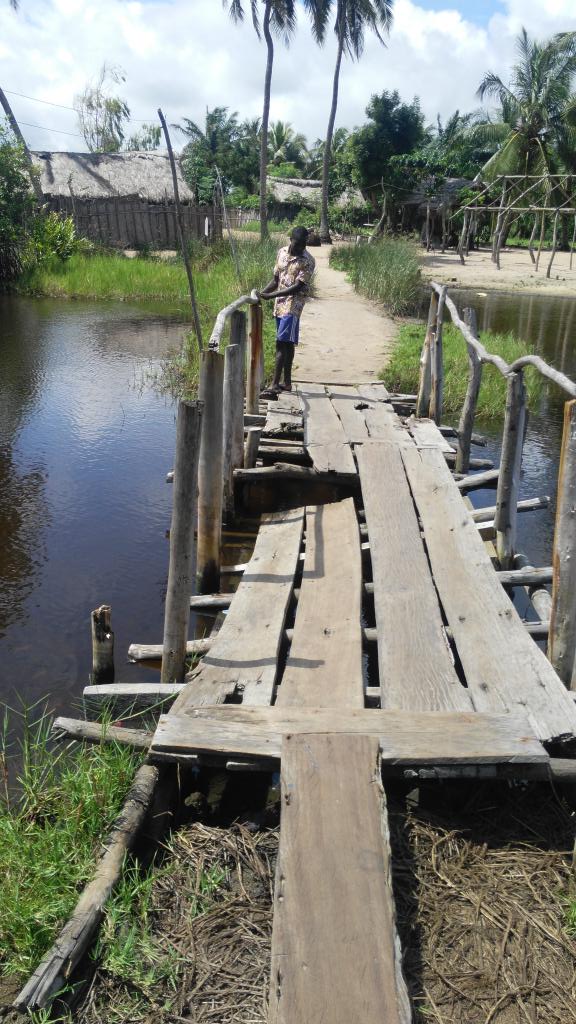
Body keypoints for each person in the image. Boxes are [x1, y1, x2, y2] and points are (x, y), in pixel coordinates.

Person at [257, 226, 315, 395]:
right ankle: (287, 382)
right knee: (287, 343)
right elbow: (276, 279)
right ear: (291, 240)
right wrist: (263, 293)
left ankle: (274, 384)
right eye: (297, 245)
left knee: (281, 343)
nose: (299, 249)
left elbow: (297, 287)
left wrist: (272, 294)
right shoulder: (281, 252)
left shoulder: (308, 261)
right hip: (279, 305)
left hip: (293, 306)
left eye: (303, 245)